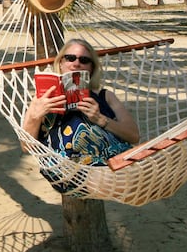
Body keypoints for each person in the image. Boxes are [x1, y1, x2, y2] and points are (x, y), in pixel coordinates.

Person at [22, 38, 140, 168]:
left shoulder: (105, 96)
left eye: (84, 60)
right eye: (70, 58)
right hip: (69, 168)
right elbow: (26, 147)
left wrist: (101, 119)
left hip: (116, 159)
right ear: (61, 63)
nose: (76, 63)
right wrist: (35, 116)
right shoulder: (42, 98)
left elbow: (134, 136)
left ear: (91, 68)